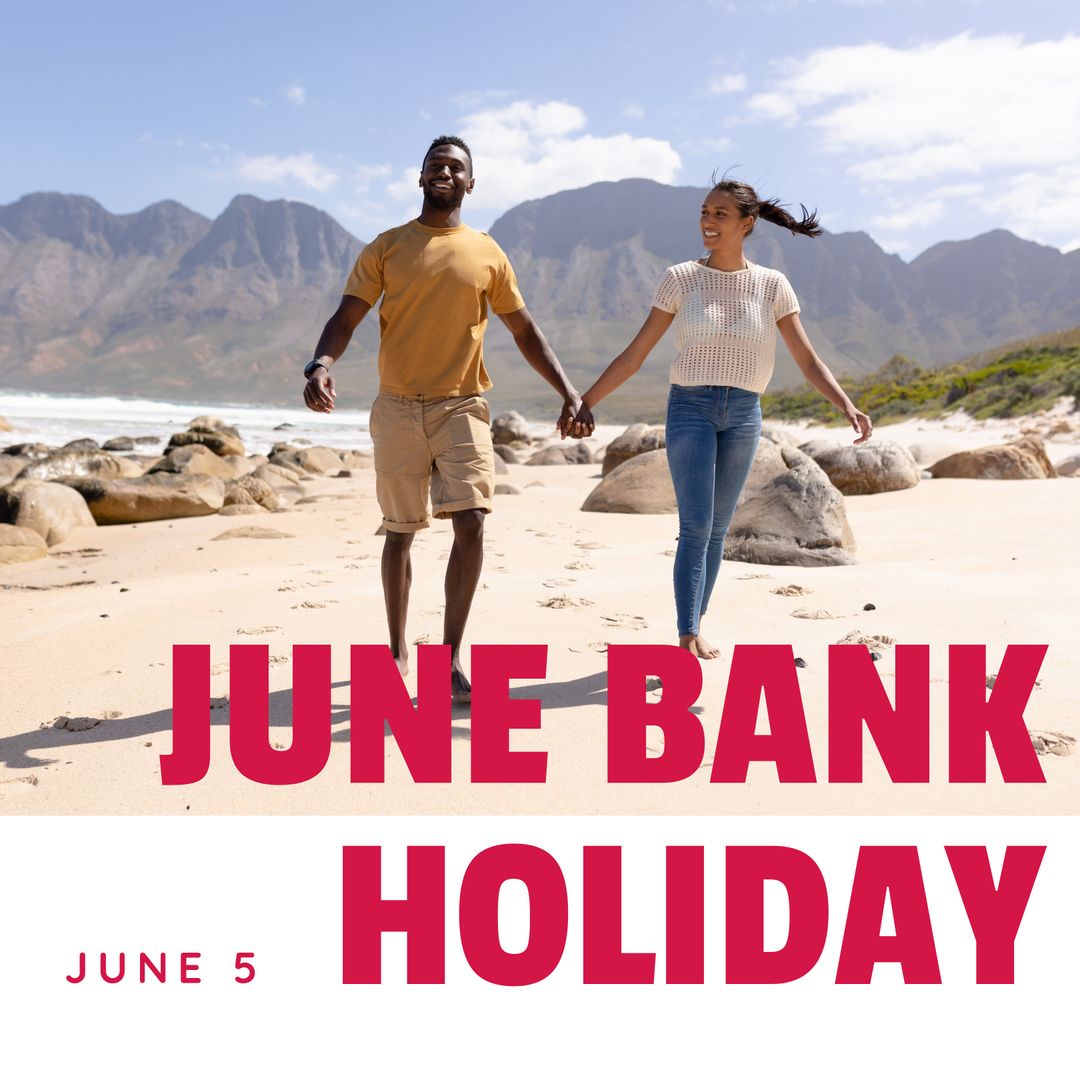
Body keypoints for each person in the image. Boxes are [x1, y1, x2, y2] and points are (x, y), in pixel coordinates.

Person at [303, 135, 586, 701]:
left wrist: (569, 391)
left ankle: (451, 654)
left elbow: (524, 330)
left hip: (463, 403)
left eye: (456, 167)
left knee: (473, 520)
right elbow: (347, 315)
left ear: (470, 184)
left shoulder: (487, 252)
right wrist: (320, 363)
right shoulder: (386, 247)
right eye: (436, 165)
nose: (445, 172)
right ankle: (395, 650)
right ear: (421, 177)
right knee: (401, 534)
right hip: (398, 407)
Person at [568, 178, 872, 660]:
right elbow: (635, 354)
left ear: (746, 224)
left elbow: (808, 359)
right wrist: (585, 400)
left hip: (745, 414)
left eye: (720, 215)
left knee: (716, 529)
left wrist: (846, 405)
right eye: (704, 213)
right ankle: (687, 633)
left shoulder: (772, 285)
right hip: (690, 408)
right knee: (695, 524)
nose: (708, 222)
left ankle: (696, 622)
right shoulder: (680, 278)